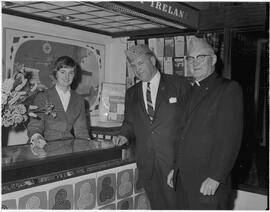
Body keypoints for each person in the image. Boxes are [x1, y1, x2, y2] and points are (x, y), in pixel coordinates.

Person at [167, 36, 243, 209]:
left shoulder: (228, 89)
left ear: (214, 59)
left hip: (208, 182)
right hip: (183, 181)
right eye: (191, 59)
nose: (195, 63)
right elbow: (182, 134)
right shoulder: (189, 93)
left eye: (201, 57)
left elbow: (230, 138)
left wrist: (216, 176)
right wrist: (175, 168)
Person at [113, 44, 189, 209]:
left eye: (140, 63)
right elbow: (129, 122)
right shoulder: (132, 93)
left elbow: (189, 125)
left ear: (153, 60)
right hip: (147, 163)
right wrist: (124, 134)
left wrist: (182, 162)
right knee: (157, 206)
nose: (137, 69)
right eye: (133, 66)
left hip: (173, 163)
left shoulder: (178, 84)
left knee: (178, 206)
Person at [27, 56, 90, 147]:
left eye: (71, 73)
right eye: (63, 72)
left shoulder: (79, 100)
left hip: (68, 147)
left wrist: (87, 148)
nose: (67, 77)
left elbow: (81, 131)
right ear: (55, 73)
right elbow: (35, 125)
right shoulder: (42, 96)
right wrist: (37, 137)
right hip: (44, 146)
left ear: (74, 75)